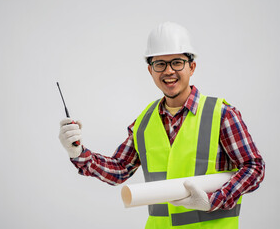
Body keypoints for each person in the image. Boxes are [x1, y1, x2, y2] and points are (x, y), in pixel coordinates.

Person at [59, 22, 265, 229]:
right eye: (160, 64)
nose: (168, 71)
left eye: (177, 62)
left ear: (191, 67)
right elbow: (119, 170)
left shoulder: (221, 114)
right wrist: (77, 152)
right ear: (150, 70)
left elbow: (254, 168)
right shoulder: (144, 123)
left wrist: (215, 200)